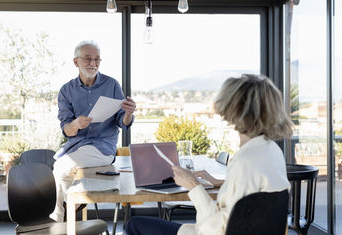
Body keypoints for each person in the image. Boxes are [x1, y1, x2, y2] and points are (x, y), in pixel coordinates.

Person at [124, 74, 293, 235]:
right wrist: (220, 182)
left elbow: (219, 229)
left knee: (134, 224)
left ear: (237, 110)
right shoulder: (271, 151)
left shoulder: (245, 160)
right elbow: (251, 200)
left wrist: (193, 185)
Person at [50, 40, 136, 222]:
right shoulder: (66, 90)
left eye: (97, 59)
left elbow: (123, 122)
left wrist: (128, 113)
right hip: (77, 147)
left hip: (103, 148)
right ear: (76, 62)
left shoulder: (112, 84)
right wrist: (75, 124)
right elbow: (67, 130)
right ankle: (70, 210)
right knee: (62, 172)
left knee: (60, 167)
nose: (93, 63)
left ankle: (57, 217)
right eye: (88, 59)